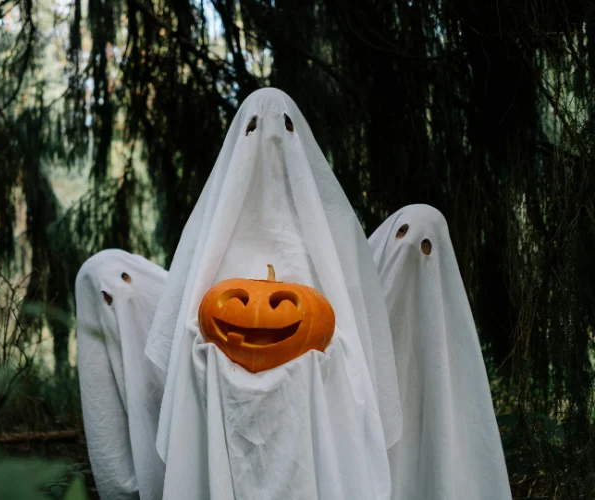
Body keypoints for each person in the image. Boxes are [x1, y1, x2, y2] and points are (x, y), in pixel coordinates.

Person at [144, 87, 403, 499]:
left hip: (309, 381)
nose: (268, 139)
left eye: (284, 127)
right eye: (252, 128)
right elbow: (185, 325)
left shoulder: (331, 231)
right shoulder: (211, 230)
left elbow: (352, 329)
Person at [368, 204, 512, 500]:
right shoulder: (353, 313)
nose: (408, 247)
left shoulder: (450, 344)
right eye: (402, 233)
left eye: (425, 245)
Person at [75, 249, 168, 500]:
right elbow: (105, 430)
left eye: (126, 281)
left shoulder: (168, 308)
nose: (117, 295)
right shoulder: (97, 297)